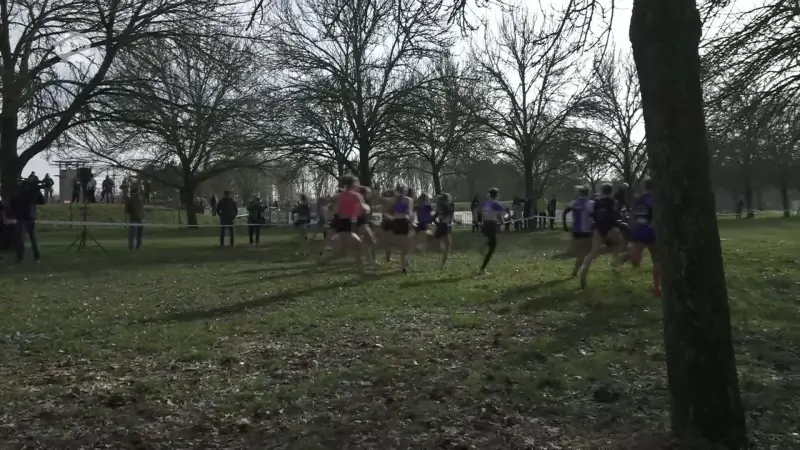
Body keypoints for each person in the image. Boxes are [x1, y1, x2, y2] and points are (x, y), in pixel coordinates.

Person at [576, 184, 625, 289]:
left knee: (593, 252)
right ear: (611, 192)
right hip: (610, 229)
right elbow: (615, 215)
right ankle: (615, 265)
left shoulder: (596, 202)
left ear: (602, 191)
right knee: (618, 244)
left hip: (598, 229)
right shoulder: (613, 202)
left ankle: (583, 270)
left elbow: (592, 215)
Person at [622, 180, 660, 297]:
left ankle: (624, 256)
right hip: (651, 231)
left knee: (636, 253)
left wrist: (633, 230)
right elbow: (657, 216)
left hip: (638, 231)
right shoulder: (656, 199)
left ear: (645, 187)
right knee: (658, 259)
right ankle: (657, 288)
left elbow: (632, 216)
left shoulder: (639, 200)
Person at [11, 178, 45, 262]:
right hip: (24, 218)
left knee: (29, 239)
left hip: (26, 218)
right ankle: (24, 257)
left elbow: (41, 201)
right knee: (24, 239)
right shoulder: (23, 193)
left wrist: (38, 192)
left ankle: (27, 257)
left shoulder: (27, 192)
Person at [475, 188, 504, 274]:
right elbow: (501, 216)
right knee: (492, 247)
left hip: (485, 225)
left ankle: (483, 247)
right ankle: (482, 268)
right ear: (497, 195)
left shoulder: (486, 204)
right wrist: (502, 221)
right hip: (491, 225)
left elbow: (480, 213)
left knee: (492, 244)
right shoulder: (496, 204)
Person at [567, 186, 594, 277]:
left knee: (579, 251)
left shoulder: (574, 202)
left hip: (575, 231)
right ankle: (578, 271)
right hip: (586, 231)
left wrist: (565, 226)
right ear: (588, 193)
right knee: (586, 252)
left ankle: (577, 269)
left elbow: (566, 210)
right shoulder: (590, 203)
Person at [389, 185, 414, 273]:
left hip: (398, 222)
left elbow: (390, 212)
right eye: (405, 190)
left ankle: (404, 265)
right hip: (402, 222)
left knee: (403, 246)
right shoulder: (407, 200)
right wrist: (412, 223)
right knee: (406, 245)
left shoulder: (395, 200)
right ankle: (404, 264)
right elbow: (410, 213)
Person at [432, 193, 455, 269]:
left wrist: (437, 223)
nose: (451, 199)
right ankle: (443, 265)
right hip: (445, 226)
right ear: (447, 199)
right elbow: (450, 215)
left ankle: (443, 262)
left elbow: (434, 217)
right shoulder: (447, 206)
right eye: (450, 198)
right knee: (448, 246)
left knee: (445, 245)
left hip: (441, 226)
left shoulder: (440, 206)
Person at [124, 185, 145, 250]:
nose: (133, 194)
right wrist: (125, 220)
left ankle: (138, 246)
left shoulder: (139, 201)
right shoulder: (129, 201)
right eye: (132, 193)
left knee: (139, 233)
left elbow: (141, 209)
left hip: (139, 219)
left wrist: (142, 216)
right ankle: (131, 246)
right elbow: (126, 211)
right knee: (132, 233)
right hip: (133, 218)